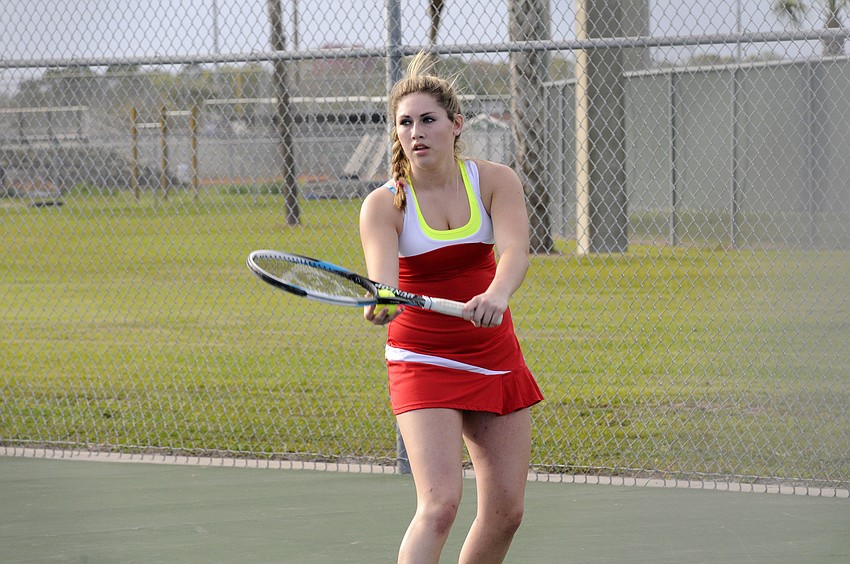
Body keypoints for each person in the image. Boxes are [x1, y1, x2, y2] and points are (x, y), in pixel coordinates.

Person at [359, 52, 543, 564]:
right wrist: (382, 304)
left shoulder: (494, 180)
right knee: (440, 504)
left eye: (427, 120)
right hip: (422, 356)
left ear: (456, 125)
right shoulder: (383, 205)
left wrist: (497, 295)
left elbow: (515, 253)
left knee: (507, 512)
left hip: (492, 349)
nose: (415, 132)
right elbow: (384, 282)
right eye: (404, 122)